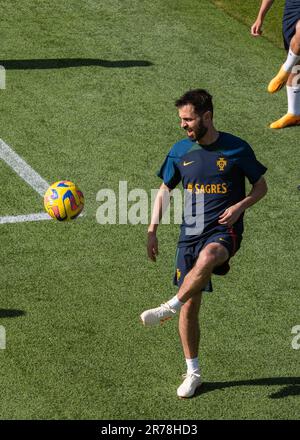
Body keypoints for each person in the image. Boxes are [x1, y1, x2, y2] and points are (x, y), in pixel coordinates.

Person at [140, 89, 268, 399]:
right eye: (181, 120)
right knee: (191, 306)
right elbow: (164, 190)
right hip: (190, 233)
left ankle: (170, 305)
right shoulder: (180, 151)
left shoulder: (237, 148)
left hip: (224, 230)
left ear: (207, 117)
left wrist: (240, 206)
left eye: (188, 119)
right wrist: (152, 229)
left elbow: (261, 187)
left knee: (212, 254)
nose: (183, 125)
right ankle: (193, 373)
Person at [251, 0, 300, 128]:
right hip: (294, 8)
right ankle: (294, 113)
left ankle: (285, 68)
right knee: (297, 63)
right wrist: (260, 18)